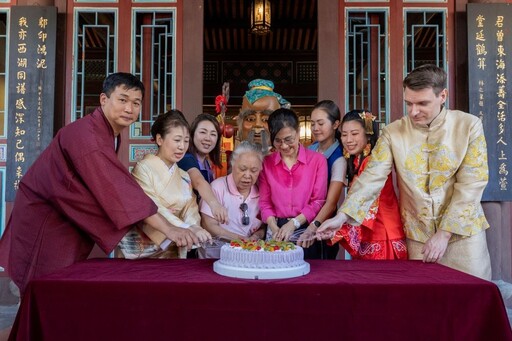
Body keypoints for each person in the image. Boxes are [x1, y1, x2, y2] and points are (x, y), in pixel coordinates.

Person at [0, 73, 198, 294]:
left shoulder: (108, 133)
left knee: (58, 289)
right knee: (44, 287)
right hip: (46, 217)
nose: (129, 108)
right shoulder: (88, 135)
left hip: (66, 212)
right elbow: (117, 188)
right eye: (122, 100)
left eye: (136, 103)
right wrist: (169, 229)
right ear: (104, 100)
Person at [317, 64, 491, 279]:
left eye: (422, 103)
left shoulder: (469, 125)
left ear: (442, 95)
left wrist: (445, 233)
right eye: (409, 103)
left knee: (470, 302)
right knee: (423, 305)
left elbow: (472, 183)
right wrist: (342, 216)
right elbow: (372, 177)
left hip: (464, 235)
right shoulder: (393, 132)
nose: (413, 111)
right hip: (418, 238)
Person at [117, 111, 212, 259]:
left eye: (186, 141)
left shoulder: (184, 175)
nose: (182, 146)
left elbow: (190, 208)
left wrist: (195, 226)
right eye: (177, 140)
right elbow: (152, 207)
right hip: (142, 249)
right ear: (160, 139)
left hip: (175, 247)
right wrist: (186, 228)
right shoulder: (143, 169)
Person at [328, 109, 407, 260]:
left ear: (368, 134)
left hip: (382, 233)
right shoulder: (358, 160)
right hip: (372, 233)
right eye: (344, 134)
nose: (348, 139)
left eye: (355, 133)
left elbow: (367, 203)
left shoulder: (372, 162)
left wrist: (338, 228)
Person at [259, 108, 327, 259]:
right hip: (276, 228)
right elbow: (264, 203)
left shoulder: (317, 161)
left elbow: (318, 201)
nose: (283, 146)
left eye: (288, 139)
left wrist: (294, 224)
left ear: (298, 132)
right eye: (277, 140)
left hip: (305, 227)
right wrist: (274, 227)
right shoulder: (266, 163)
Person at [297, 100, 347, 259]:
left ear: (335, 124)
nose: (315, 128)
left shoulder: (339, 158)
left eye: (320, 123)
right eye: (312, 124)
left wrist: (313, 227)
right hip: (303, 219)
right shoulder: (309, 149)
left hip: (322, 225)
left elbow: (331, 202)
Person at [199, 141, 266, 258]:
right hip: (216, 257)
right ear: (233, 164)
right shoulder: (217, 187)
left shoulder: (261, 193)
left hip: (248, 257)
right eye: (243, 169)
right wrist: (240, 239)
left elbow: (264, 226)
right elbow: (208, 224)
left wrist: (257, 236)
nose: (247, 175)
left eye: (253, 171)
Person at [177, 113, 228, 224]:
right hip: (184, 221)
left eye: (213, 134)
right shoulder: (186, 158)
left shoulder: (207, 163)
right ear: (192, 134)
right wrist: (215, 204)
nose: (208, 138)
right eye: (203, 132)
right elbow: (198, 182)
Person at [237, 79, 291, 153]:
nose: (257, 124)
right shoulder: (235, 158)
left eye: (266, 120)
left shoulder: (287, 159)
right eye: (250, 119)